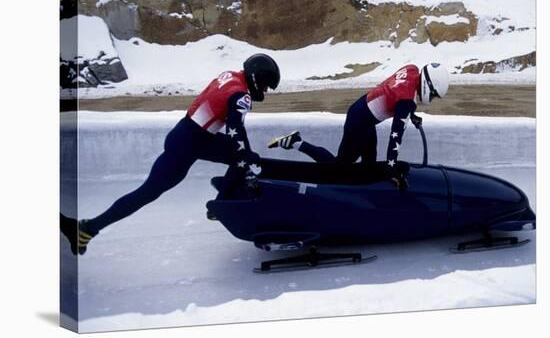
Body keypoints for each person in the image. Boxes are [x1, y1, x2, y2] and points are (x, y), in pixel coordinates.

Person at [61, 53, 280, 255]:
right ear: (255, 77)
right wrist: (245, 163)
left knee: (243, 157)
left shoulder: (230, 76)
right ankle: (88, 228)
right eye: (264, 84)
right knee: (148, 192)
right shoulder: (241, 97)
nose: (265, 91)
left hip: (186, 133)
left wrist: (244, 158)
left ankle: (220, 204)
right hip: (189, 144)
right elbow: (236, 133)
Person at [269, 63, 449, 189]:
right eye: (432, 95)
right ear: (428, 85)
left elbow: (395, 93)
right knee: (338, 167)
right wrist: (391, 168)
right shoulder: (406, 102)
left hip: (363, 113)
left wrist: (411, 113)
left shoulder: (411, 69)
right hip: (359, 122)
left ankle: (366, 195)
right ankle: (297, 142)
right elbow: (396, 137)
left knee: (369, 164)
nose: (431, 99)